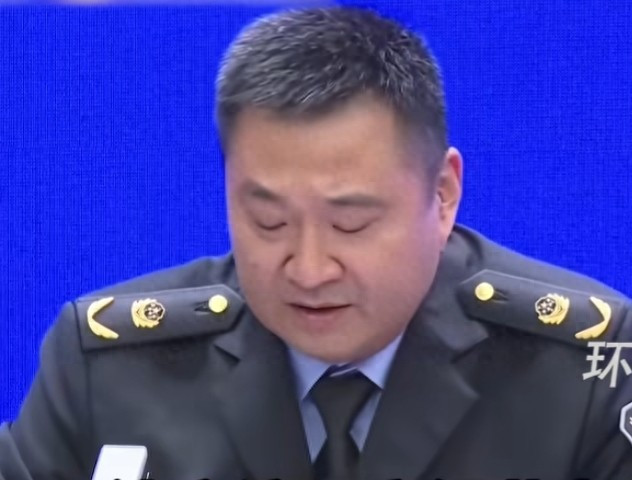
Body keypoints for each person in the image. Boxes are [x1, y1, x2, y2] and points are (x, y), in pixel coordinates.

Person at [1, 6, 631, 480]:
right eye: (268, 221)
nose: (308, 269)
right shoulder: (109, 369)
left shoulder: (587, 373)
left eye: (350, 224)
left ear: (442, 195)